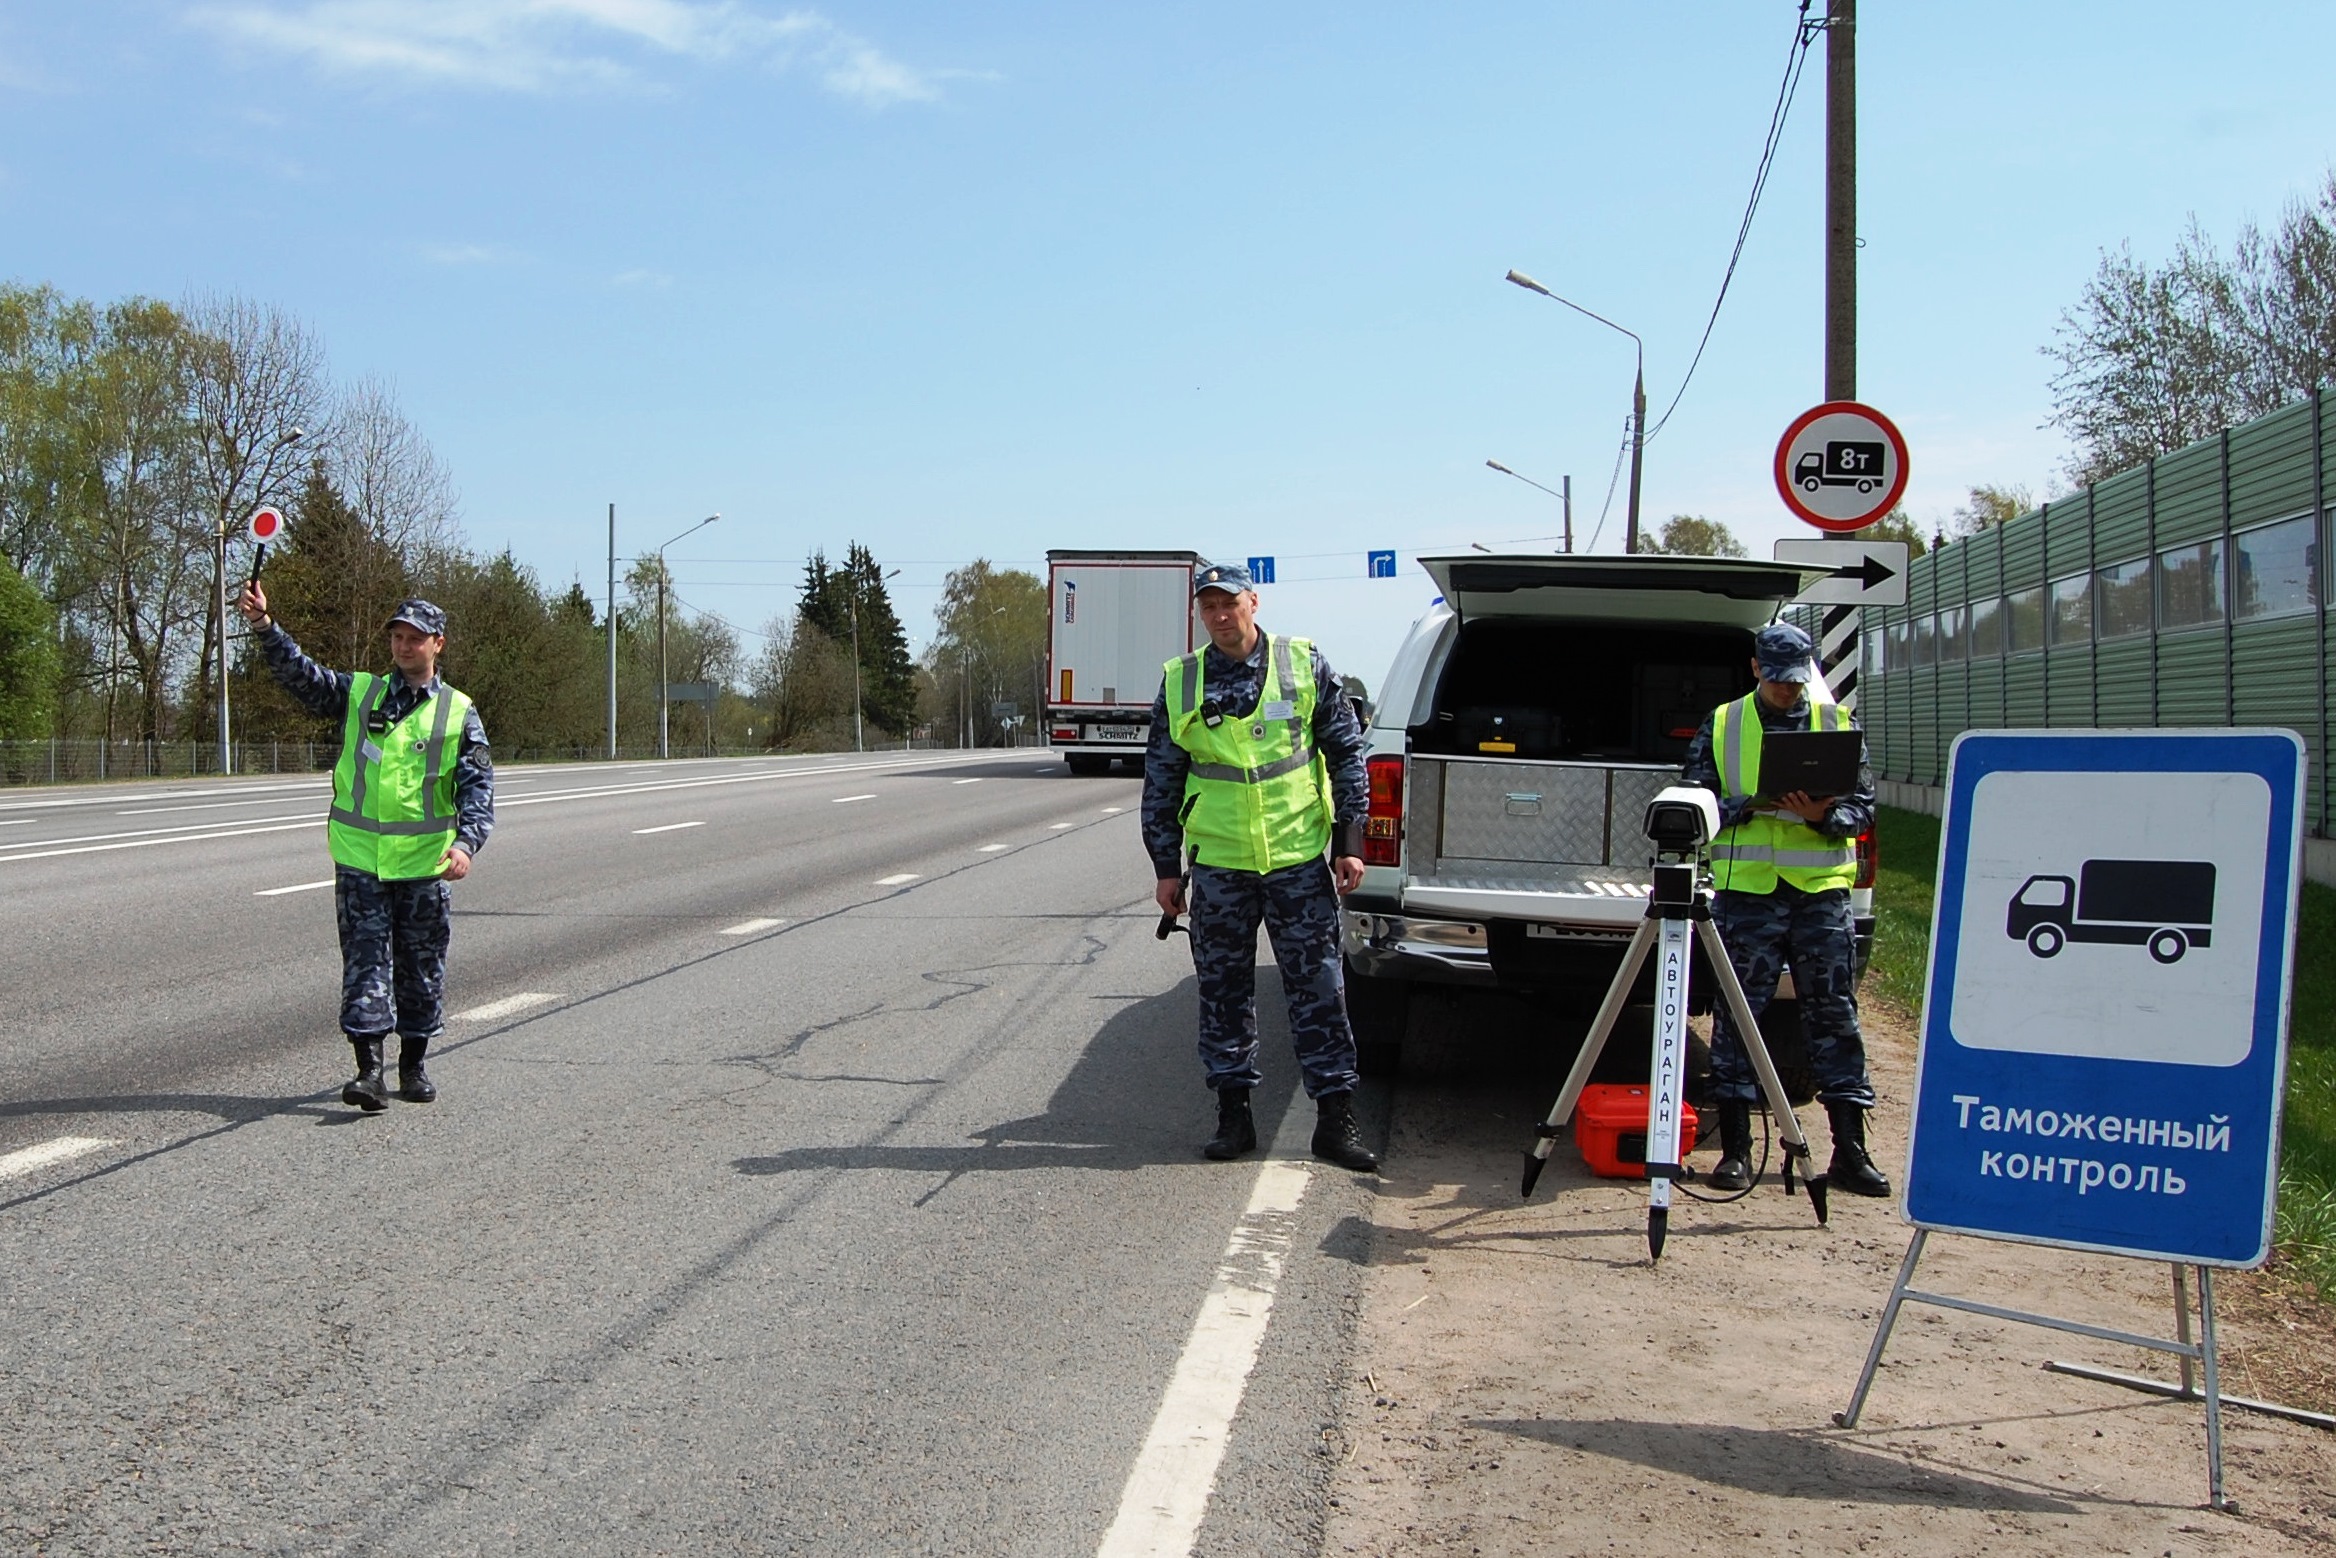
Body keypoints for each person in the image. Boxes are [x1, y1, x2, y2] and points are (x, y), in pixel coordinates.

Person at [1140, 562, 1379, 1172]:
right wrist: (1167, 867)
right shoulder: (1182, 681)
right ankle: (1233, 1116)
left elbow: (1347, 752)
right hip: (1219, 864)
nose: (1220, 616)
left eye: (1229, 604)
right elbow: (1161, 780)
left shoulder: (1304, 665)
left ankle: (1335, 1119)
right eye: (1208, 607)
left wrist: (1350, 841)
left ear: (1254, 602)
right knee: (1223, 993)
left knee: (1320, 989)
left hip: (1298, 858)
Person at [237, 582, 494, 1111]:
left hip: (425, 867)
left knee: (421, 969)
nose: (403, 646)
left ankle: (414, 1065)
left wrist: (467, 844)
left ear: (437, 645)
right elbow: (302, 677)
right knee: (365, 965)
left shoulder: (457, 712)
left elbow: (477, 789)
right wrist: (266, 627)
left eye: (415, 638)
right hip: (361, 863)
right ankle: (368, 1071)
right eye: (397, 636)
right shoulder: (360, 693)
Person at [1680, 620, 1891, 1198]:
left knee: (1834, 1016)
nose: (1787, 692)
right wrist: (1747, 804)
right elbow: (1693, 799)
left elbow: (1864, 810)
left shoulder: (1838, 725)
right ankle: (1737, 1152)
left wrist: (1826, 816)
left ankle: (1851, 1151)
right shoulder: (1724, 724)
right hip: (1747, 894)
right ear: (1755, 668)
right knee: (1738, 1018)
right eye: (1776, 681)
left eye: (1795, 682)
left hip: (1819, 893)